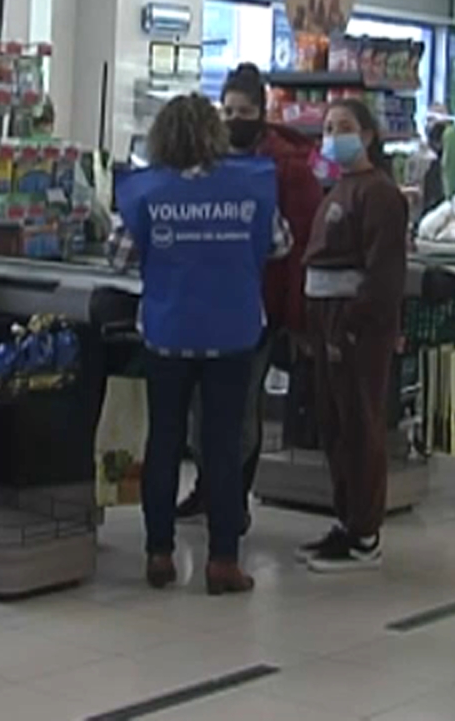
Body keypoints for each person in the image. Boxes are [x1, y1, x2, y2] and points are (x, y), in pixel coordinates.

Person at [116, 93, 281, 596]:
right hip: (232, 332)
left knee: (164, 440)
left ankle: (159, 553)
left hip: (168, 332)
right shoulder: (249, 185)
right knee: (223, 445)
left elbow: (120, 256)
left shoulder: (146, 192)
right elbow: (279, 244)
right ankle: (223, 562)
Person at [174, 64, 322, 524]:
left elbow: (299, 250)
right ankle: (207, 486)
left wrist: (297, 320)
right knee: (202, 410)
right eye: (228, 109)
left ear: (262, 111)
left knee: (239, 409)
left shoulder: (288, 170)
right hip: (205, 302)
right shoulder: (207, 160)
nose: (234, 118)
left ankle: (233, 497)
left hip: (260, 305)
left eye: (244, 110)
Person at [300, 98, 409, 574]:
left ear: (366, 135)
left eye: (343, 126)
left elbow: (383, 272)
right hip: (325, 315)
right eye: (327, 127)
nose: (333, 135)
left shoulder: (380, 194)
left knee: (360, 423)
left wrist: (352, 323)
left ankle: (366, 531)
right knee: (335, 423)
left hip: (355, 324)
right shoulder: (338, 188)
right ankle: (346, 520)